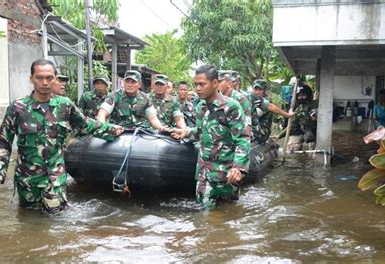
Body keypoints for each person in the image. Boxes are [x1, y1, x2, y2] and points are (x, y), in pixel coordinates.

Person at [0, 59, 123, 214]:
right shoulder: (18, 107)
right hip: (27, 180)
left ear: (55, 78)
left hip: (55, 177)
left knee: (56, 222)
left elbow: (86, 124)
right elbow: (3, 142)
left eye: (49, 78)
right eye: (39, 77)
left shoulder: (64, 105)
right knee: (28, 220)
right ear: (31, 78)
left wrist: (112, 130)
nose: (44, 82)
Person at [171, 64, 251, 209]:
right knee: (205, 217)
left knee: (230, 215)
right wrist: (187, 132)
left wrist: (238, 167)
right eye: (195, 85)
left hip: (227, 174)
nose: (198, 89)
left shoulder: (230, 107)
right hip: (204, 174)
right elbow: (202, 131)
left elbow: (243, 138)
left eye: (202, 84)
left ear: (214, 83)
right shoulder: (200, 107)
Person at [96, 70, 167, 130]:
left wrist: (162, 128)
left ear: (139, 85)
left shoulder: (145, 99)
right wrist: (105, 127)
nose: (129, 85)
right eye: (127, 81)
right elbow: (101, 114)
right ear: (123, 83)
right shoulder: (115, 96)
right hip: (118, 132)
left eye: (133, 82)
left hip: (139, 133)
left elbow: (153, 119)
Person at [251, 79, 294, 143]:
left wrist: (288, 115)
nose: (257, 92)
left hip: (261, 132)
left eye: (260, 89)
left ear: (265, 90)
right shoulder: (253, 99)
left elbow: (254, 115)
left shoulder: (265, 102)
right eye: (255, 89)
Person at [287, 84, 318, 150]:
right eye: (299, 96)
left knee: (314, 152)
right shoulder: (299, 109)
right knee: (292, 147)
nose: (301, 98)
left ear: (308, 95)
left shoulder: (316, 104)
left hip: (315, 133)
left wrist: (317, 119)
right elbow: (292, 124)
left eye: (303, 95)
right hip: (302, 131)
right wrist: (279, 136)